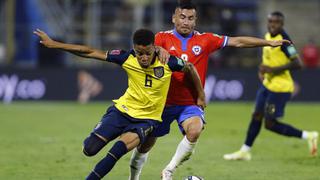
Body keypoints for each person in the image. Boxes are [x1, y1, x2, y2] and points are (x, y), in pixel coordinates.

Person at [128, 2, 292, 180]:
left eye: (190, 18)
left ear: (195, 20)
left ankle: (168, 171)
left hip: (190, 102)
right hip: (162, 102)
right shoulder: (161, 38)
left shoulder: (205, 39)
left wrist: (268, 42)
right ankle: (133, 177)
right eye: (182, 17)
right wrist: (158, 49)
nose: (186, 22)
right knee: (145, 145)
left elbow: (237, 41)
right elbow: (142, 52)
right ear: (174, 18)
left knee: (195, 130)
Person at [34, 28, 205, 179]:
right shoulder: (126, 57)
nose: (143, 57)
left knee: (115, 152)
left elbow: (189, 67)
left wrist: (200, 95)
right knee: (89, 149)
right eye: (139, 53)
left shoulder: (168, 61)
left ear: (154, 48)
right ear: (134, 49)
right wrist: (55, 44)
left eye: (147, 52)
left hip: (147, 120)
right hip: (121, 112)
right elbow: (90, 52)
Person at [223, 11, 318, 161]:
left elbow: (297, 63)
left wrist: (272, 70)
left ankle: (309, 135)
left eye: (276, 22)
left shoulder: (285, 41)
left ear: (282, 24)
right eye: (271, 22)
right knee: (256, 115)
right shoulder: (267, 37)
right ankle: (245, 151)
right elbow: (269, 59)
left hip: (280, 89)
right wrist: (263, 68)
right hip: (267, 85)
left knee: (270, 124)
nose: (273, 25)